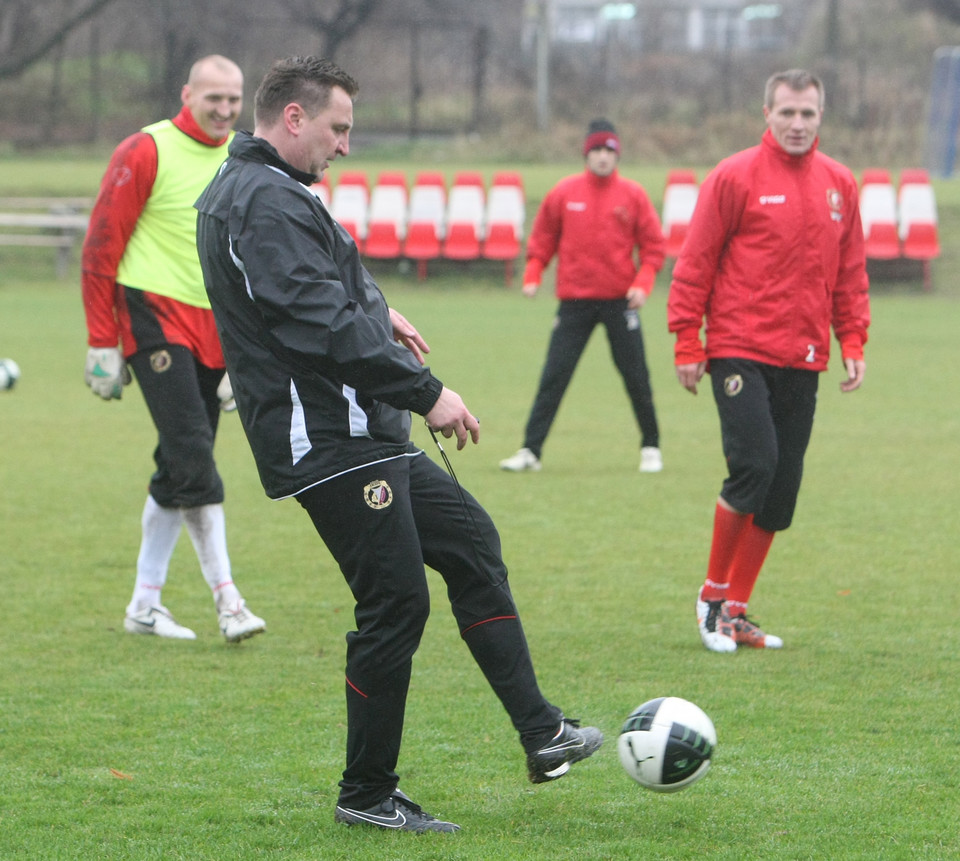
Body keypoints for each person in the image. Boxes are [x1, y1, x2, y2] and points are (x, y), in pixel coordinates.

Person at [194, 56, 602, 834]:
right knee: (395, 603)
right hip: (330, 437)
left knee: (473, 543)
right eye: (337, 128)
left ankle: (541, 732)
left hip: (362, 430)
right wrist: (429, 393)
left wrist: (384, 314)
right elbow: (314, 322)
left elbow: (325, 290)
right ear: (291, 118)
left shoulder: (274, 191)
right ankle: (367, 792)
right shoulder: (260, 199)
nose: (345, 145)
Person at [667, 69, 870, 653]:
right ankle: (710, 599)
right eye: (788, 113)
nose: (798, 124)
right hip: (737, 347)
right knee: (755, 464)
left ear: (821, 117)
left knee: (782, 489)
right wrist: (688, 339)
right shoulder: (734, 176)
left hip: (804, 355)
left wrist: (851, 340)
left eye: (808, 114)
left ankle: (737, 609)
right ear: (767, 113)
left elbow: (851, 273)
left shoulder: (840, 184)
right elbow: (696, 260)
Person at [81, 54, 266, 643]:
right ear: (187, 93)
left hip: (216, 331)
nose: (224, 109)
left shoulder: (244, 157)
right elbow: (100, 248)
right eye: (213, 98)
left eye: (233, 99)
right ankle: (229, 602)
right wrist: (101, 342)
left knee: (176, 466)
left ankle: (144, 604)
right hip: (153, 317)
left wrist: (249, 350)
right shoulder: (145, 150)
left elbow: (255, 257)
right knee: (194, 459)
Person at [499, 119, 667, 474]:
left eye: (609, 150)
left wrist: (643, 283)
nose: (603, 157)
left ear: (617, 154)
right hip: (574, 302)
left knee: (636, 375)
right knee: (554, 375)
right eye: (597, 150)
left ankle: (651, 446)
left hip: (620, 301)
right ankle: (531, 451)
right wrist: (533, 274)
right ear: (586, 153)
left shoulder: (633, 195)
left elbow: (653, 248)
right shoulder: (564, 193)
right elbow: (542, 240)